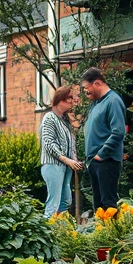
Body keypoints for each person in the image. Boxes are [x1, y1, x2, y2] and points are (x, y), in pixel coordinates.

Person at [80, 67, 126, 211]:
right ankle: (102, 232)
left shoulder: (113, 101)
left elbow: (118, 132)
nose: (85, 92)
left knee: (108, 205)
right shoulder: (96, 103)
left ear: (97, 83)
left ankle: (113, 233)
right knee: (99, 207)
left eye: (87, 88)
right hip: (95, 161)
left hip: (106, 161)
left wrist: (102, 154)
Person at [39, 86, 82, 218]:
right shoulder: (49, 117)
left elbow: (71, 144)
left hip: (66, 166)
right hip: (53, 165)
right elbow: (48, 143)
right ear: (60, 99)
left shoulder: (65, 121)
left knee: (66, 201)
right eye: (69, 97)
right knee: (54, 203)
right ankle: (46, 234)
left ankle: (61, 233)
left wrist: (74, 160)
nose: (72, 100)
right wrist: (66, 159)